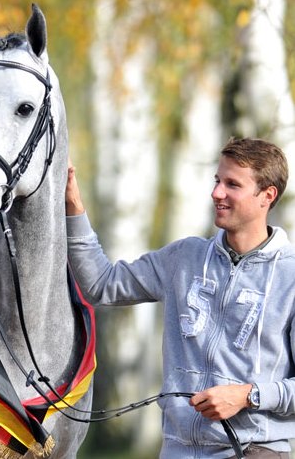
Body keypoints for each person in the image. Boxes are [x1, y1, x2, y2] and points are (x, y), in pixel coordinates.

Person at [65, 137, 295, 458]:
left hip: (255, 451)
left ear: (267, 195)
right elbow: (102, 284)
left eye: (233, 184)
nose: (217, 193)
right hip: (177, 450)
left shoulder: (290, 276)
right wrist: (73, 210)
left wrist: (248, 395)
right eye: (217, 180)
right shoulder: (183, 258)